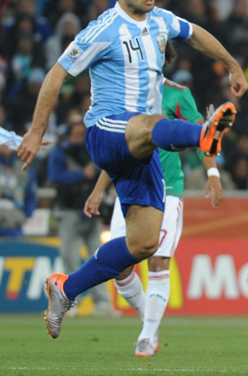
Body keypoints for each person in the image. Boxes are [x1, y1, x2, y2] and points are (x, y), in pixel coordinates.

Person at [16, 0, 248, 339]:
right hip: (106, 131)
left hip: (141, 147)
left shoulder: (160, 20)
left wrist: (232, 65)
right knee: (151, 121)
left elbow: (195, 33)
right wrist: (37, 131)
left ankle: (65, 288)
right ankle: (201, 133)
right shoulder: (103, 30)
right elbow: (56, 75)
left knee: (142, 243)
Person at [85, 74, 222, 356]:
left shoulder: (177, 94)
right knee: (121, 269)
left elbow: (201, 133)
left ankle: (147, 336)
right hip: (131, 187)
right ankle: (151, 323)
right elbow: (117, 147)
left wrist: (212, 172)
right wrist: (99, 189)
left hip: (168, 188)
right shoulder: (125, 94)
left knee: (158, 261)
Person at [47, 120, 117, 317]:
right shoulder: (60, 153)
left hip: (91, 212)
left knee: (99, 259)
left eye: (82, 134)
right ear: (68, 135)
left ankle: (102, 303)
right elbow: (55, 176)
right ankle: (69, 302)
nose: (80, 138)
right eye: (76, 134)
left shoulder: (92, 151)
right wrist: (81, 174)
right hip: (69, 210)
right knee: (69, 257)